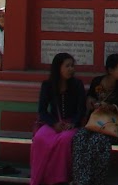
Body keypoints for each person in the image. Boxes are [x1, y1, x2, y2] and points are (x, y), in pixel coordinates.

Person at [71, 54, 118, 185]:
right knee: (80, 137)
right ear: (110, 70)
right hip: (95, 125)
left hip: (114, 128)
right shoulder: (97, 82)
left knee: (97, 141)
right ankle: (81, 179)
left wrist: (111, 107)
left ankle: (96, 180)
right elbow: (89, 98)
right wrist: (91, 102)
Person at [30, 53, 86, 185]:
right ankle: (39, 176)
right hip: (53, 123)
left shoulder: (77, 85)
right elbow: (42, 111)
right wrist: (54, 123)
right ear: (58, 68)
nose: (71, 69)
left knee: (64, 140)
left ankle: (58, 179)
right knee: (40, 138)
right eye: (67, 66)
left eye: (72, 66)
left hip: (72, 124)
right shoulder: (48, 85)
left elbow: (81, 110)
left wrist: (72, 123)